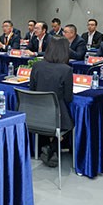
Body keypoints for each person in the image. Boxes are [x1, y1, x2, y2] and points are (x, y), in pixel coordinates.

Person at [29, 37, 74, 167]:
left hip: (36, 113)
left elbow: (32, 89)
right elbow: (68, 98)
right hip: (56, 116)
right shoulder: (66, 69)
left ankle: (50, 147)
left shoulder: (37, 65)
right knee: (70, 120)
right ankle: (52, 147)